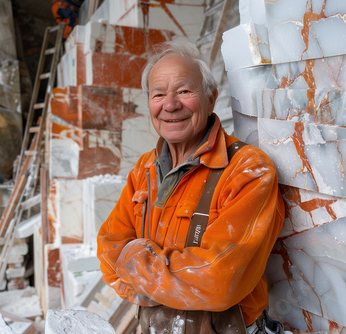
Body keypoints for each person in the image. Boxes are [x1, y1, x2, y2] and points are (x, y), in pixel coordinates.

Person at [97, 40, 285, 334]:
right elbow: (108, 252)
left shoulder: (247, 170)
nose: (170, 105)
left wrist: (136, 263)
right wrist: (170, 280)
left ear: (211, 99)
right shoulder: (144, 171)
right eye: (159, 94)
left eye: (184, 91)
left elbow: (220, 282)